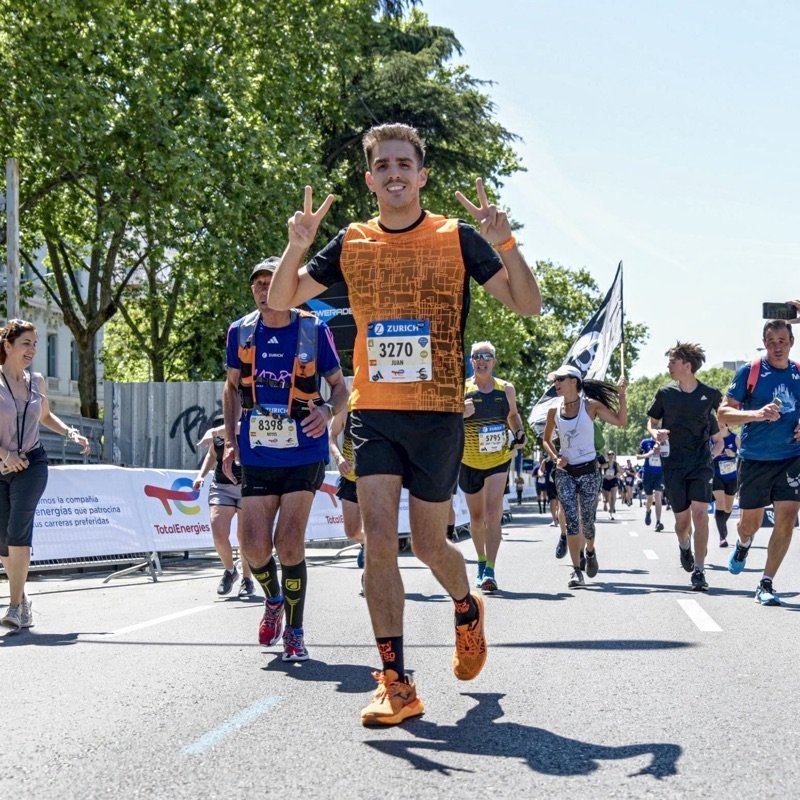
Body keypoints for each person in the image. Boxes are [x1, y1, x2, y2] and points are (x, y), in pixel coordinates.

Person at [269, 122, 541, 726]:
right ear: (370, 179)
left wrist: (505, 243)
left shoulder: (456, 237)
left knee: (428, 543)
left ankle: (466, 606)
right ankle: (396, 683)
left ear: (421, 175)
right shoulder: (353, 240)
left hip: (439, 412)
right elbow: (283, 300)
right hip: (374, 412)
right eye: (383, 165)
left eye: (403, 164)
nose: (394, 173)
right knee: (377, 541)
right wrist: (297, 244)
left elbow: (528, 304)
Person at [222, 257, 348, 661]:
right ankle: (273, 599)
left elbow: (340, 388)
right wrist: (230, 442)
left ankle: (294, 630)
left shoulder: (314, 329)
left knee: (289, 543)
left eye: (271, 281)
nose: (264, 290)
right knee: (253, 547)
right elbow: (230, 389)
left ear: (290, 287)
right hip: (257, 451)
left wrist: (327, 411)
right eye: (258, 283)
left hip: (304, 449)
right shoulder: (241, 332)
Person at [0, 319, 91, 630]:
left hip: (32, 465)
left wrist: (71, 433)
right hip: (2, 464)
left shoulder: (36, 381)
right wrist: (5, 455)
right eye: (26, 343)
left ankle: (14, 607)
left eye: (35, 344)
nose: (32, 350)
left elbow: (46, 415)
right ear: (8, 345)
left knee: (18, 532)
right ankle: (23, 598)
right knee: (2, 540)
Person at [718, 319, 800, 605]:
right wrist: (756, 414)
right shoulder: (750, 371)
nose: (777, 347)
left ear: (791, 342)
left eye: (782, 341)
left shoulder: (798, 373)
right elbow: (723, 413)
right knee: (749, 525)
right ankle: (743, 544)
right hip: (755, 458)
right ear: (764, 343)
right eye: (772, 342)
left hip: (791, 458)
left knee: (787, 519)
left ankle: (766, 582)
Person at [647, 342, 724, 592]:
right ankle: (684, 546)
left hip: (701, 464)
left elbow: (725, 420)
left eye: (672, 361)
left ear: (687, 365)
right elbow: (652, 423)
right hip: (674, 466)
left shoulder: (710, 394)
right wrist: (656, 433)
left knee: (700, 515)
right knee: (682, 524)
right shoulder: (665, 393)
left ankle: (700, 571)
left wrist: (716, 448)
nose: (668, 366)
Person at [542, 364, 627, 588]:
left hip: (589, 471)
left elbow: (621, 421)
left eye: (560, 379)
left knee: (587, 522)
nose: (556, 383)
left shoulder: (590, 406)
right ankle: (576, 571)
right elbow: (546, 440)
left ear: (574, 381)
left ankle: (590, 551)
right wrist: (556, 457)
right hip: (565, 473)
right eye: (555, 380)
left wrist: (621, 395)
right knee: (572, 520)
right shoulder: (553, 410)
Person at [460, 340, 526, 593]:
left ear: (494, 361)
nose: (482, 360)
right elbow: (445, 421)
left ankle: (490, 569)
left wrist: (519, 432)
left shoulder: (506, 389)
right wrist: (460, 413)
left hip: (498, 459)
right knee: (476, 519)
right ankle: (480, 561)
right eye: (477, 356)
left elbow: (513, 415)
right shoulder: (461, 389)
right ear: (471, 361)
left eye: (487, 356)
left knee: (491, 514)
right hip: (468, 461)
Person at [193, 417, 255, 598]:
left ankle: (247, 579)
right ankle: (230, 571)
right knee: (218, 530)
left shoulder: (248, 428)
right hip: (221, 487)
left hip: (246, 486)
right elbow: (212, 455)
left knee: (243, 537)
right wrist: (200, 476)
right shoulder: (220, 431)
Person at [329, 408, 366, 587]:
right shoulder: (346, 406)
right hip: (351, 478)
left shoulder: (380, 402)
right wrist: (339, 458)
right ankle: (368, 544)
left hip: (375, 479)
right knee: (352, 532)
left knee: (374, 528)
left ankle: (371, 574)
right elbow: (331, 435)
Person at [711, 422, 740, 548]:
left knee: (728, 508)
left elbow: (743, 455)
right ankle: (722, 537)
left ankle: (722, 524)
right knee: (720, 504)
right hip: (716, 475)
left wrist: (734, 454)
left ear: (727, 425)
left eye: (722, 426)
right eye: (717, 426)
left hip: (731, 477)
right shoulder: (712, 439)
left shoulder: (735, 438)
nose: (719, 428)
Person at [637, 436, 665, 531]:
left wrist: (661, 453)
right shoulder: (645, 442)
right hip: (648, 474)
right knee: (649, 499)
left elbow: (669, 457)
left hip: (660, 474)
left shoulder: (664, 442)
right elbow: (637, 456)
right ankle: (648, 511)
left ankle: (658, 522)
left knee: (658, 496)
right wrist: (648, 454)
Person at [601, 451, 620, 520]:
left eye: (612, 454)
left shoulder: (616, 464)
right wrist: (604, 476)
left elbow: (619, 472)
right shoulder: (606, 464)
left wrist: (616, 475)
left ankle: (611, 512)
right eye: (609, 454)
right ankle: (605, 502)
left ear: (614, 455)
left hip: (613, 480)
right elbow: (599, 468)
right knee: (607, 498)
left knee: (613, 497)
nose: (611, 455)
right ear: (607, 456)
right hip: (606, 481)